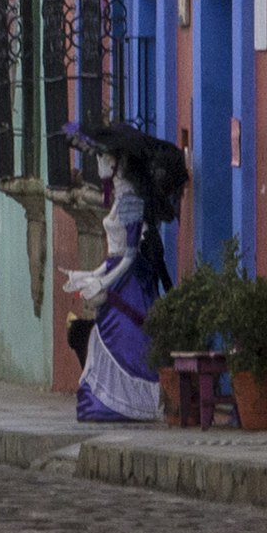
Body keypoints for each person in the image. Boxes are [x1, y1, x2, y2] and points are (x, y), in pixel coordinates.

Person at [64, 131, 183, 423]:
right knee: (104, 340)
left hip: (127, 285)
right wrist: (89, 274)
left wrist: (103, 282)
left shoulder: (130, 201)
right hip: (116, 276)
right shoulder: (119, 199)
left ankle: (134, 403)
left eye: (105, 158)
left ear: (119, 164)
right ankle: (111, 402)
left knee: (120, 341)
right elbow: (114, 255)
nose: (100, 164)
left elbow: (128, 257)